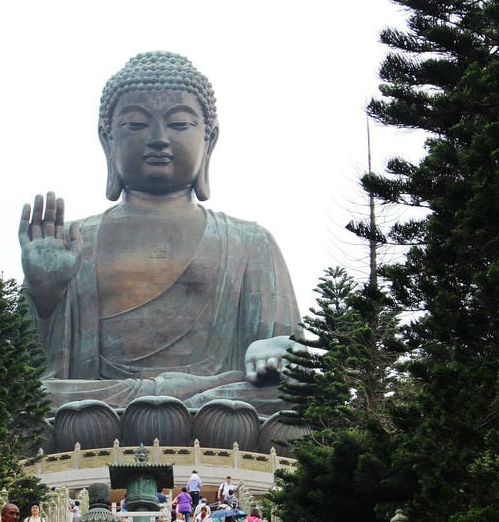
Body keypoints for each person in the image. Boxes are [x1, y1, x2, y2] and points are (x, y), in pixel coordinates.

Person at [18, 51, 301, 414]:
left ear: (209, 140)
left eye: (179, 125)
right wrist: (46, 297)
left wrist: (277, 351)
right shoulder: (70, 241)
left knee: (296, 398)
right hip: (98, 402)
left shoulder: (250, 241)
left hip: (215, 401)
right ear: (107, 140)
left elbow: (290, 361)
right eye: (136, 125)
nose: (157, 138)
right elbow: (24, 372)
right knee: (26, 401)